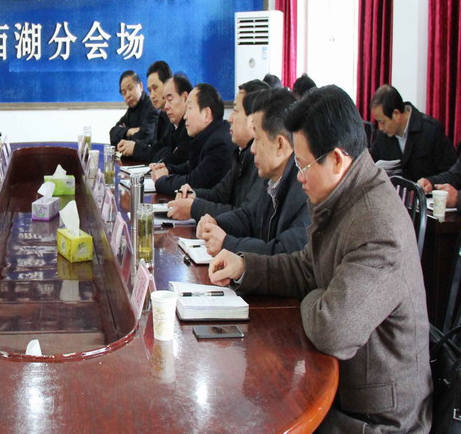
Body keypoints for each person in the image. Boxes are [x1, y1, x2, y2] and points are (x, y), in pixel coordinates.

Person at [209, 85, 431, 432]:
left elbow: (333, 329)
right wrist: (245, 266)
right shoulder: (343, 196)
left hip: (376, 419)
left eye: (303, 164)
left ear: (338, 160)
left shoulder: (377, 224)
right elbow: (306, 266)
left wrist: (315, 295)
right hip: (344, 391)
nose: (298, 176)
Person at [195, 88, 310, 256]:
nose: (252, 149)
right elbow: (249, 216)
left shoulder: (304, 187)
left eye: (257, 139)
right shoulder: (273, 179)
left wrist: (227, 243)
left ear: (280, 144)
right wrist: (217, 223)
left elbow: (284, 253)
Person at [166, 79, 268, 221]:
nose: (230, 118)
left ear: (252, 120)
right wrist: (193, 195)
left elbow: (245, 215)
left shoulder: (261, 161)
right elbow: (219, 194)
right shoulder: (242, 154)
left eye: (235, 111)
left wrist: (194, 208)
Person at [152, 83, 234, 194]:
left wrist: (161, 181)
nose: (185, 116)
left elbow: (194, 182)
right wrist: (168, 170)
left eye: (189, 108)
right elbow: (191, 166)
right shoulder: (209, 135)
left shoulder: (219, 143)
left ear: (206, 114)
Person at [370, 84, 456, 181]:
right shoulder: (382, 136)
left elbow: (452, 174)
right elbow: (371, 160)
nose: (380, 128)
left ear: (396, 114)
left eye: (382, 122)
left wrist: (430, 182)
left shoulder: (431, 131)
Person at [116, 60, 172, 161]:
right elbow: (113, 133)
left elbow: (148, 140)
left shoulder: (155, 109)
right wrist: (129, 131)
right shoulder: (161, 115)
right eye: (150, 90)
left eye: (155, 88)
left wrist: (134, 147)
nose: (152, 95)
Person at [108, 70, 159, 146]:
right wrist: (129, 131)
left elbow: (146, 137)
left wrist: (124, 134)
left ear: (140, 86)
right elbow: (112, 134)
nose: (128, 95)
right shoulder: (131, 111)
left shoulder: (152, 106)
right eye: (124, 93)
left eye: (130, 88)